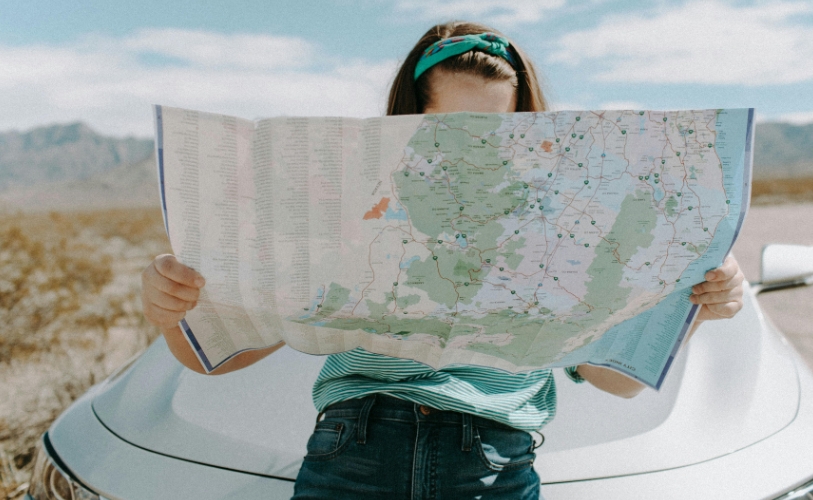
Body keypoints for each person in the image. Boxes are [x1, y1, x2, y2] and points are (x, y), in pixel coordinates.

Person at [141, 21, 745, 500]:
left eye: (494, 130)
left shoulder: (565, 220)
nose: (468, 147)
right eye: (447, 127)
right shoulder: (347, 205)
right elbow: (221, 358)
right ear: (407, 120)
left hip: (493, 464)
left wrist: (694, 308)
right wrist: (175, 311)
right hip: (353, 450)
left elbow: (614, 380)